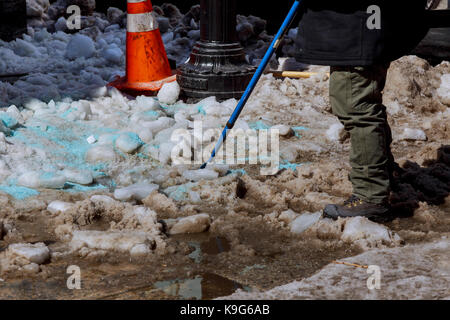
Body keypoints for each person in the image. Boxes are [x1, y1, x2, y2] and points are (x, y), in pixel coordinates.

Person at [294, 0, 429, 221]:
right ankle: (382, 172)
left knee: (356, 106)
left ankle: (370, 195)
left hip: (358, 30)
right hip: (365, 28)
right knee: (364, 102)